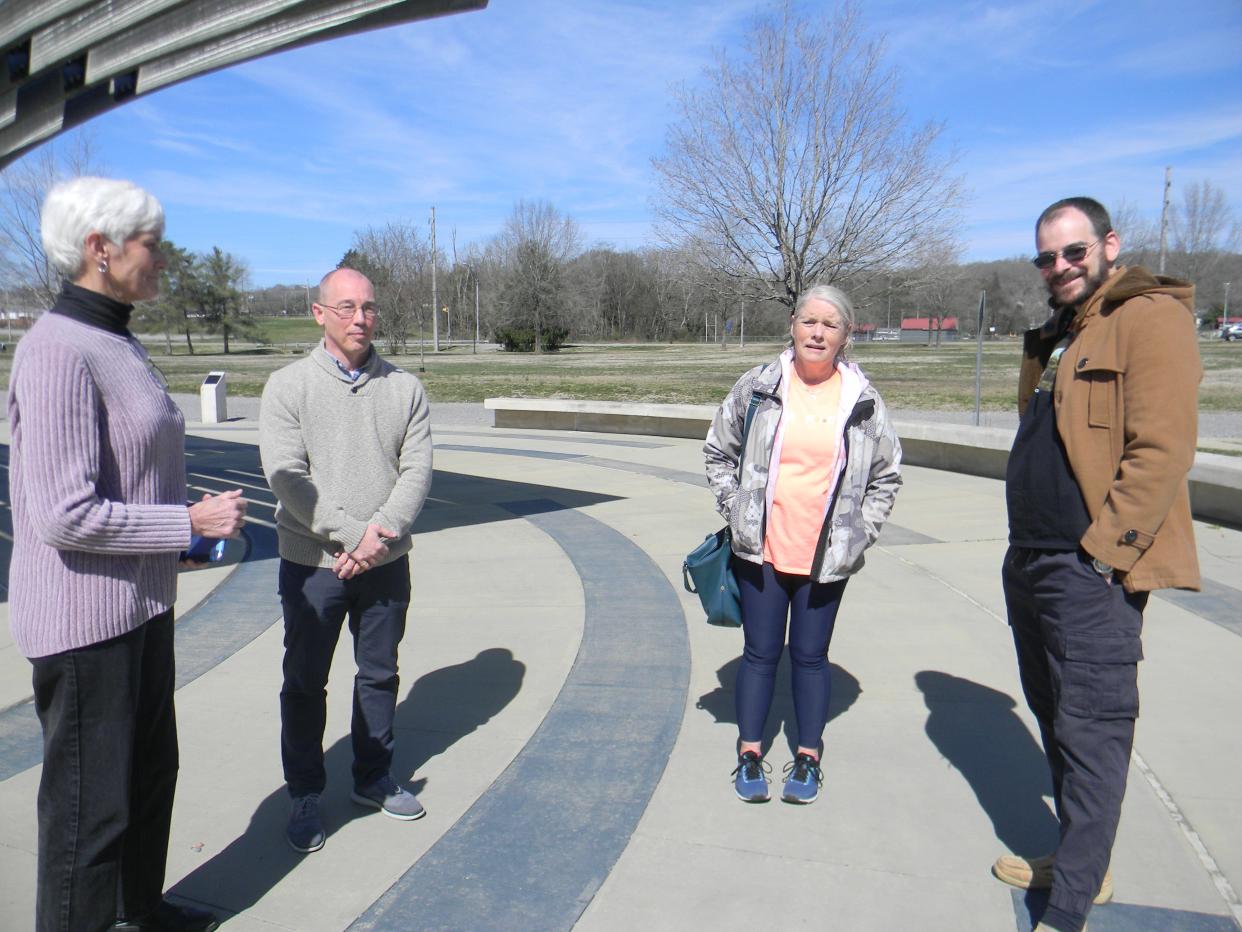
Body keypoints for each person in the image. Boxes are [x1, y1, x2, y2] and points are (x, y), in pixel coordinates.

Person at [8, 177, 247, 932]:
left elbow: (126, 474)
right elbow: (61, 513)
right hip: (85, 630)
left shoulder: (114, 337)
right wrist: (183, 522)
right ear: (100, 249)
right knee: (89, 819)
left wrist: (173, 546)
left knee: (148, 781)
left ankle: (140, 914)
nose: (164, 258)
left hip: (140, 606)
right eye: (153, 244)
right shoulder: (56, 349)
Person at [993, 197, 1201, 932]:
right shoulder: (1059, 332)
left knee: (1093, 730)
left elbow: (1163, 449)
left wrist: (1104, 557)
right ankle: (1084, 860)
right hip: (1032, 560)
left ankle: (1070, 907)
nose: (1060, 267)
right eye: (1047, 257)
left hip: (1089, 571)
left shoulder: (1150, 318)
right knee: (1055, 718)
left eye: (1074, 252)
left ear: (1109, 244)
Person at [704, 284, 902, 805]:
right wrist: (739, 510)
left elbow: (887, 477)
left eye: (829, 325)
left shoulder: (863, 399)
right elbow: (718, 451)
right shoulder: (760, 386)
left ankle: (808, 758)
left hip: (825, 558)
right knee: (760, 654)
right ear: (792, 324)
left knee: (811, 659)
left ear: (845, 335)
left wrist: (860, 534)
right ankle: (750, 753)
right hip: (763, 552)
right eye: (809, 322)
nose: (817, 333)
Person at [259, 267, 433, 854]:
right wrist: (353, 537)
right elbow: (288, 477)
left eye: (369, 308)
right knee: (306, 683)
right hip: (313, 565)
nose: (360, 318)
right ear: (319, 313)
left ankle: (372, 776)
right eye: (347, 307)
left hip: (385, 565)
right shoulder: (288, 387)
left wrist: (377, 541)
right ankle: (305, 791)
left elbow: (417, 472)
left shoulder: (405, 388)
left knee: (379, 675)